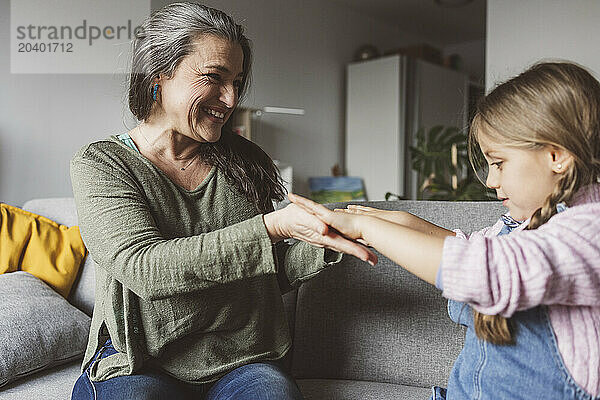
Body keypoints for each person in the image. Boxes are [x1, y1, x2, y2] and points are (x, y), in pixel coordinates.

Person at [69, 3, 375, 400]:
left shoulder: (246, 162)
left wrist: (330, 241)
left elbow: (262, 274)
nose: (231, 99)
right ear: (158, 74)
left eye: (238, 81)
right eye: (214, 77)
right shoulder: (103, 164)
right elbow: (144, 268)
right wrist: (273, 227)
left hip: (243, 358)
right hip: (143, 358)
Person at [289, 61, 600, 399]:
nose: (492, 182)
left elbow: (485, 269)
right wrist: (376, 222)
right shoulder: (525, 225)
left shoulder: (588, 232)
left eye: (498, 163)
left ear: (557, 155)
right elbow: (462, 246)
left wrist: (367, 227)